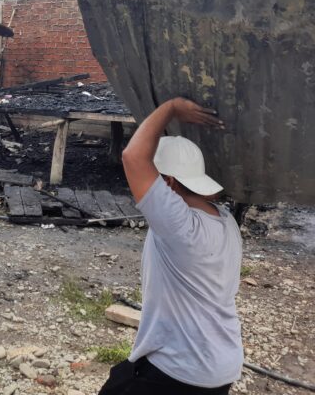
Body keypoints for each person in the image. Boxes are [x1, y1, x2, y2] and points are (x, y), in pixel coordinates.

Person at [98, 97, 243, 395]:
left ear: (170, 182)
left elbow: (134, 157)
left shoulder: (179, 225)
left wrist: (172, 107)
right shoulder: (226, 220)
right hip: (222, 364)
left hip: (181, 369)